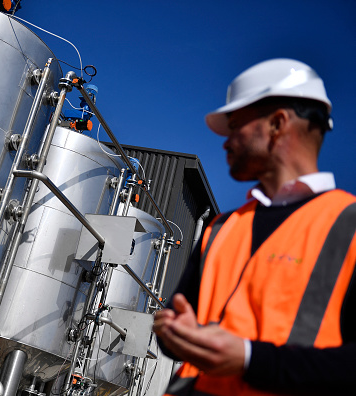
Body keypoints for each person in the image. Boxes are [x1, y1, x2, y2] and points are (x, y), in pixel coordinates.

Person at [153, 58, 356, 396]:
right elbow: (177, 319)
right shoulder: (220, 228)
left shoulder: (348, 225)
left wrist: (250, 359)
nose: (225, 142)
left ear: (277, 123)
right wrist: (173, 332)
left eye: (235, 126)